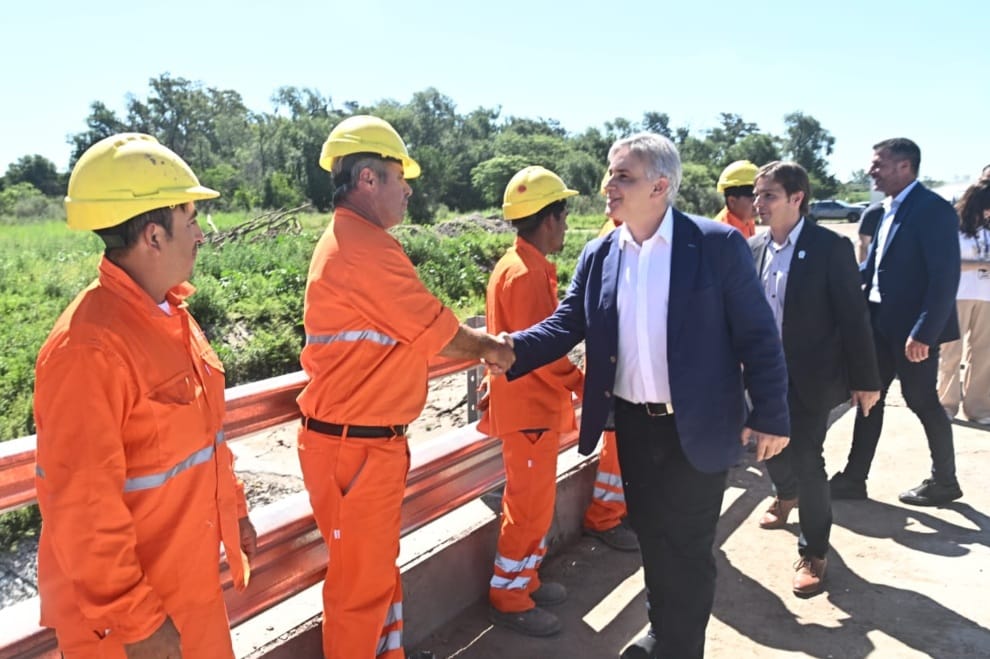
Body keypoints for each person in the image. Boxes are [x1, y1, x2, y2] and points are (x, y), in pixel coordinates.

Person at [505, 133, 790, 659]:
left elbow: (758, 335)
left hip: (697, 425)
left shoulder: (714, 245)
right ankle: (662, 630)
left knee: (689, 548)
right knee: (653, 536)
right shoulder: (601, 253)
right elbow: (566, 323)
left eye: (623, 176)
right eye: (610, 173)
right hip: (635, 427)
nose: (607, 185)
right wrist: (506, 349)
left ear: (660, 186)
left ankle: (682, 646)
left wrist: (772, 413)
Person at [296, 115, 514, 659]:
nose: (409, 189)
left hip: (364, 444)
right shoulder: (361, 249)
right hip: (354, 448)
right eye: (401, 177)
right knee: (359, 592)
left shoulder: (358, 241)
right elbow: (436, 329)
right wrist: (491, 348)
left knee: (375, 578)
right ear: (368, 179)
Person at [33, 133, 256, 658]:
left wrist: (234, 510)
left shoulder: (171, 316)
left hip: (188, 594)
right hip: (129, 628)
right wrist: (140, 625)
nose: (200, 234)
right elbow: (83, 509)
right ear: (154, 235)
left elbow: (204, 437)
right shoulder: (86, 349)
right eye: (191, 219)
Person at [748, 161, 881, 596]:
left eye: (768, 195)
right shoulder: (753, 247)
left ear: (797, 198)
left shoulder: (828, 247)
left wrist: (865, 379)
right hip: (761, 376)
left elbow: (853, 317)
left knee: (808, 460)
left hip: (809, 377)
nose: (758, 203)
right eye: (757, 194)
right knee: (766, 449)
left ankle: (814, 551)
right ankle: (785, 494)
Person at [479, 166, 585, 637]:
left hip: (529, 410)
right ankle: (510, 597)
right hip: (529, 411)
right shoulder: (525, 274)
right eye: (564, 216)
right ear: (548, 219)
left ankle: (526, 579)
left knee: (534, 505)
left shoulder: (521, 265)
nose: (566, 225)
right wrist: (581, 383)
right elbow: (540, 351)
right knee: (527, 509)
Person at [830, 138, 963, 506]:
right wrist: (834, 282)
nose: (871, 171)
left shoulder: (932, 209)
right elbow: (874, 269)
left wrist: (924, 332)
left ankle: (945, 481)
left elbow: (944, 278)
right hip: (879, 324)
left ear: (905, 166)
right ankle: (854, 478)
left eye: (879, 164)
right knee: (868, 398)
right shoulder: (887, 208)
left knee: (922, 400)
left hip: (912, 332)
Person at [581, 176, 638, 554]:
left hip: (628, 371)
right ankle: (604, 516)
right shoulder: (612, 241)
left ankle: (621, 510)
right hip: (616, 372)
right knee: (616, 450)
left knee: (628, 449)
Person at [937, 179, 990, 424]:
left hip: (987, 297)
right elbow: (948, 263)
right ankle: (946, 405)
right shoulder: (953, 228)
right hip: (957, 296)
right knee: (951, 352)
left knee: (983, 354)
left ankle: (978, 409)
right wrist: (981, 264)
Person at [714, 160, 759, 238]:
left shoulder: (747, 220)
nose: (758, 203)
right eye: (753, 199)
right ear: (732, 201)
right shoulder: (721, 233)